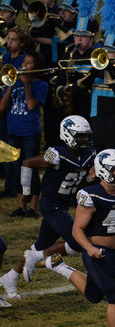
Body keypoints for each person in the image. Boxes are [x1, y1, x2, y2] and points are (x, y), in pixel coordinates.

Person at [44, 148, 115, 327]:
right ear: (103, 170)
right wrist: (89, 249)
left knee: (93, 295)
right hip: (96, 252)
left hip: (112, 252)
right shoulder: (90, 195)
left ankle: (58, 265)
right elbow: (76, 230)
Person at [0, 116, 94, 298]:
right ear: (68, 135)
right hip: (51, 205)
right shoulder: (58, 154)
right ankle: (39, 260)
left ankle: (10, 277)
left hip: (64, 205)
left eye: (85, 136)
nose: (84, 140)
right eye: (80, 136)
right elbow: (27, 163)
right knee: (77, 241)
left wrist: (89, 179)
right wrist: (26, 191)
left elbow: (80, 179)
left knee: (39, 246)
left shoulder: (89, 153)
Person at [0, 51, 48, 217]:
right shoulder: (13, 83)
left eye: (29, 63)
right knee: (17, 168)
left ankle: (33, 207)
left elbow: (31, 106)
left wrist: (27, 84)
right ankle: (21, 206)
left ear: (36, 66)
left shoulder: (41, 85)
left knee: (31, 169)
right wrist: (11, 85)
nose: (24, 66)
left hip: (30, 133)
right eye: (24, 62)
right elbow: (2, 107)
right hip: (13, 131)